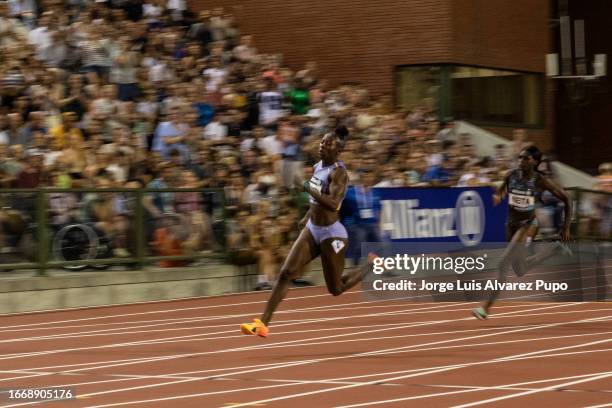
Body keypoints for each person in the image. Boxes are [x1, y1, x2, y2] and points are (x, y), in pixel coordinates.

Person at [240, 126, 365, 337]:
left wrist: (309, 188)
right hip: (313, 228)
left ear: (338, 150)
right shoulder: (318, 166)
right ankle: (263, 323)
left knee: (335, 289)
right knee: (286, 273)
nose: (322, 146)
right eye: (322, 142)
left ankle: (370, 265)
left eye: (328, 144)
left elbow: (334, 204)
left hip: (332, 233)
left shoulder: (339, 173)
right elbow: (315, 200)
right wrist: (307, 215)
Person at [473, 146, 572, 320]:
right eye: (519, 157)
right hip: (510, 224)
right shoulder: (511, 175)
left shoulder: (540, 180)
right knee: (520, 269)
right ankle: (555, 249)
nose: (521, 161)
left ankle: (486, 308)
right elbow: (502, 188)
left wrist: (566, 227)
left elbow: (566, 199)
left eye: (525, 158)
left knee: (503, 264)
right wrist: (498, 196)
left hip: (528, 225)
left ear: (534, 162)